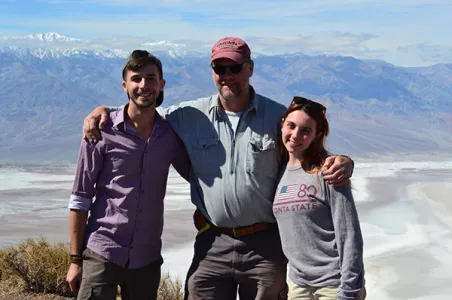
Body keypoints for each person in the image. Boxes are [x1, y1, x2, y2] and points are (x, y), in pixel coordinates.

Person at [82, 37, 355, 300]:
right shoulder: (190, 115)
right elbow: (142, 108)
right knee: (198, 289)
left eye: (234, 67)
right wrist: (104, 110)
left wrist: (343, 161)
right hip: (213, 241)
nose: (227, 75)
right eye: (219, 68)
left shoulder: (277, 117)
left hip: (265, 245)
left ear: (249, 68)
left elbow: (306, 146)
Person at [65, 50, 190, 300]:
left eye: (150, 78)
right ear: (125, 86)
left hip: (147, 258)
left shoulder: (170, 135)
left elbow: (196, 173)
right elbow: (80, 198)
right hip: (103, 252)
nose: (144, 85)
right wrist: (75, 260)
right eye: (136, 79)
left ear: (161, 84)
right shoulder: (100, 131)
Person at [274, 96, 365, 300]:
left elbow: (349, 234)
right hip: (299, 286)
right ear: (282, 125)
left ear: (316, 136)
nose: (295, 135)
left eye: (305, 131)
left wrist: (348, 289)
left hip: (334, 285)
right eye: (291, 126)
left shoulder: (329, 172)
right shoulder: (275, 171)